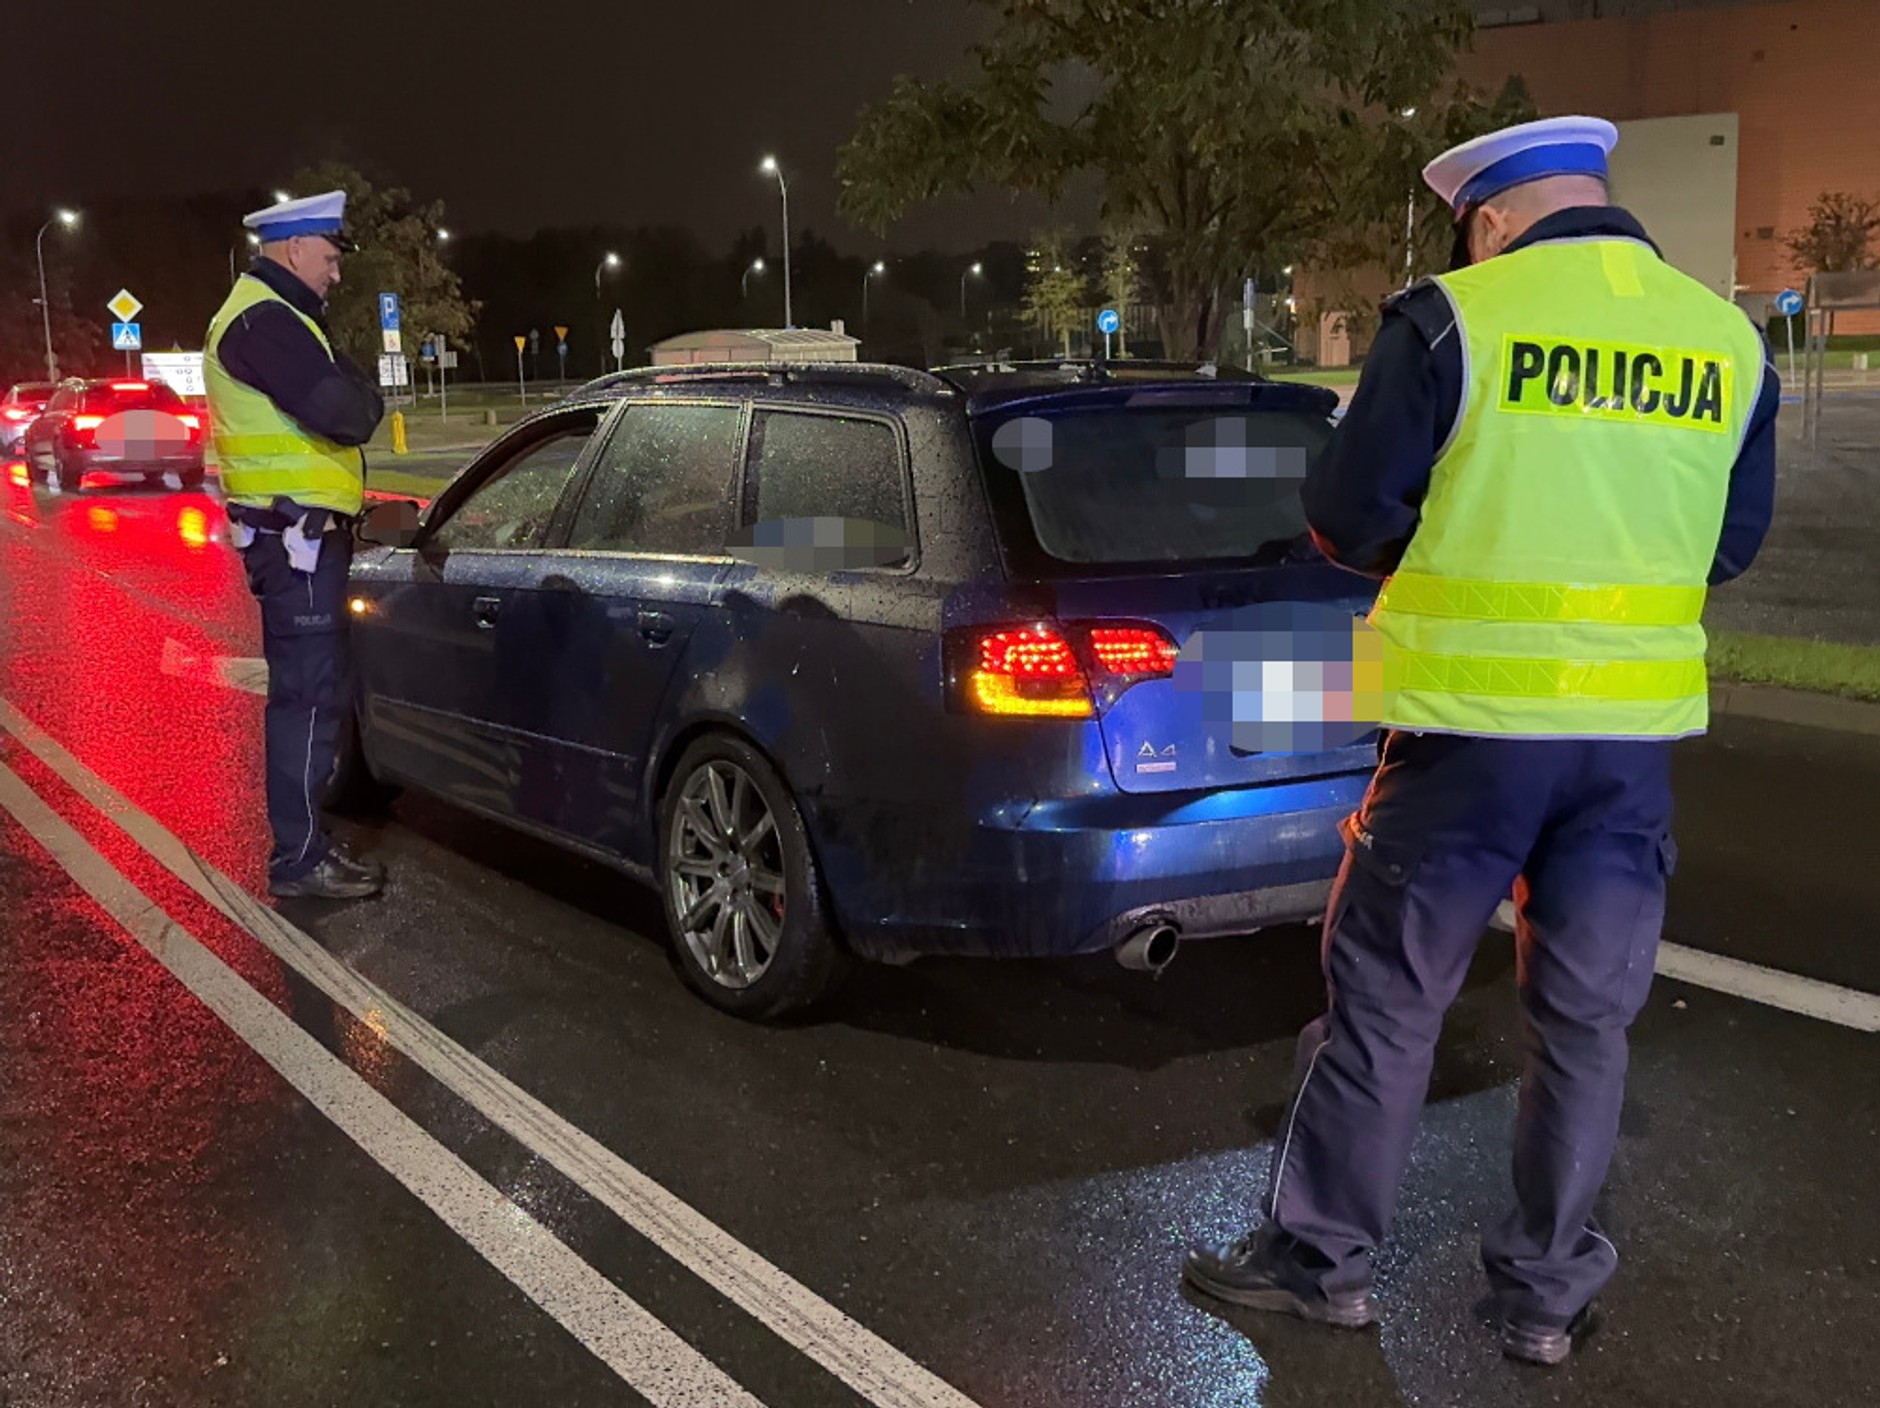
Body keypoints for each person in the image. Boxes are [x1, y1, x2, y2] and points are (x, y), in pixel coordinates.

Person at [1183, 116, 1778, 1366]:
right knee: (1582, 1026)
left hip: (1464, 738)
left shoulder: (1456, 317)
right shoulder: (1725, 340)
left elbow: (1344, 513)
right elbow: (1725, 546)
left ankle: (1317, 1260)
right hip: (1625, 744)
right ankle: (1544, 1297)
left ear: (1491, 217)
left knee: (1386, 1004)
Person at [204, 190, 388, 901]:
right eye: (331, 256)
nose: (336, 272)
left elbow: (349, 399)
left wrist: (354, 391)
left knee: (314, 691)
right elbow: (349, 411)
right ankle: (300, 859)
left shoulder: (283, 318)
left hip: (300, 541)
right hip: (295, 545)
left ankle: (306, 843)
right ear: (294, 248)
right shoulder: (261, 321)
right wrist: (357, 395)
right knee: (308, 697)